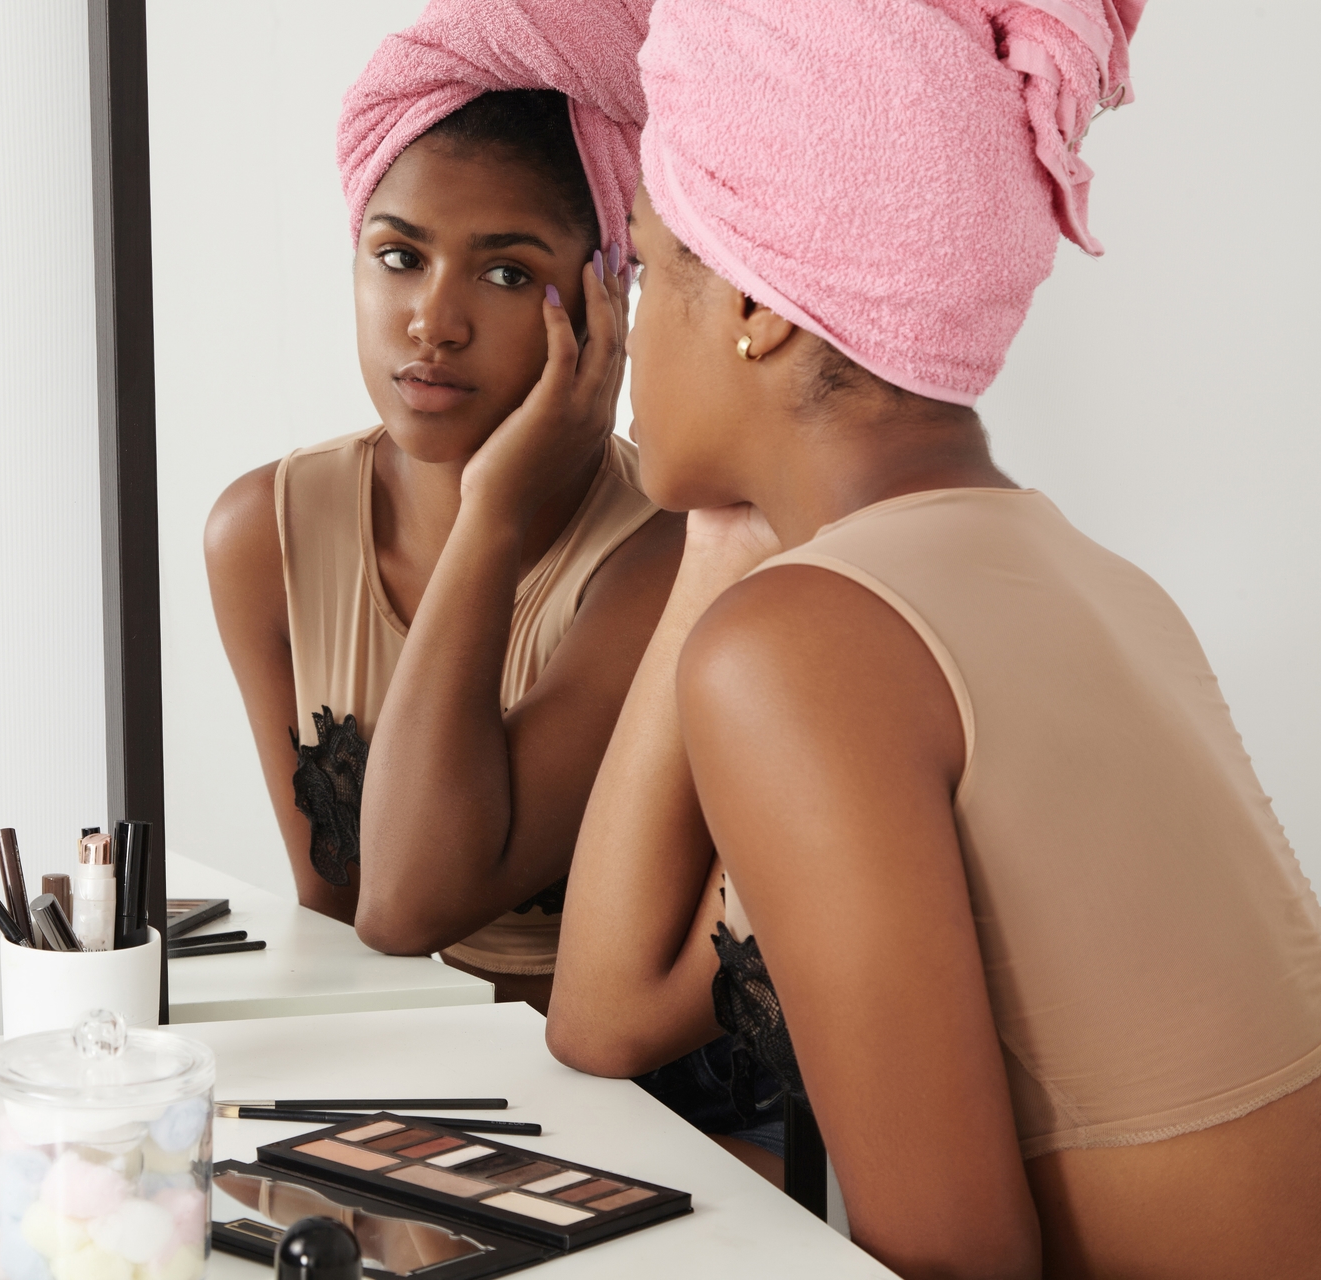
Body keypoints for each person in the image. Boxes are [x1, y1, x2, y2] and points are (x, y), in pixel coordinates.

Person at [547, 0, 1321, 1275]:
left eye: (651, 259)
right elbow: (607, 1011)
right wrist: (728, 535)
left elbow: (956, 1259)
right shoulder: (1088, 579)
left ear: (756, 305)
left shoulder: (810, 647)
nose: (626, 323)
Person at [204, 0, 680, 1013]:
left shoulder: (662, 559)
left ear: (609, 300)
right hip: (398, 1090)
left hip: (640, 1112)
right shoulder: (265, 535)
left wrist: (492, 510)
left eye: (508, 272)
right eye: (397, 255)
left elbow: (407, 909)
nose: (432, 319)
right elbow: (336, 924)